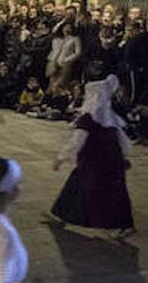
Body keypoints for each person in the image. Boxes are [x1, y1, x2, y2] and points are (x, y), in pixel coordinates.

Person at [49, 75, 136, 238]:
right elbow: (122, 140)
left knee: (77, 186)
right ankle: (125, 225)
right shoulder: (110, 116)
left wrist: (61, 158)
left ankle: (63, 215)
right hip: (112, 164)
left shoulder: (88, 119)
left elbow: (77, 142)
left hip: (93, 163)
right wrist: (124, 157)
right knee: (116, 193)